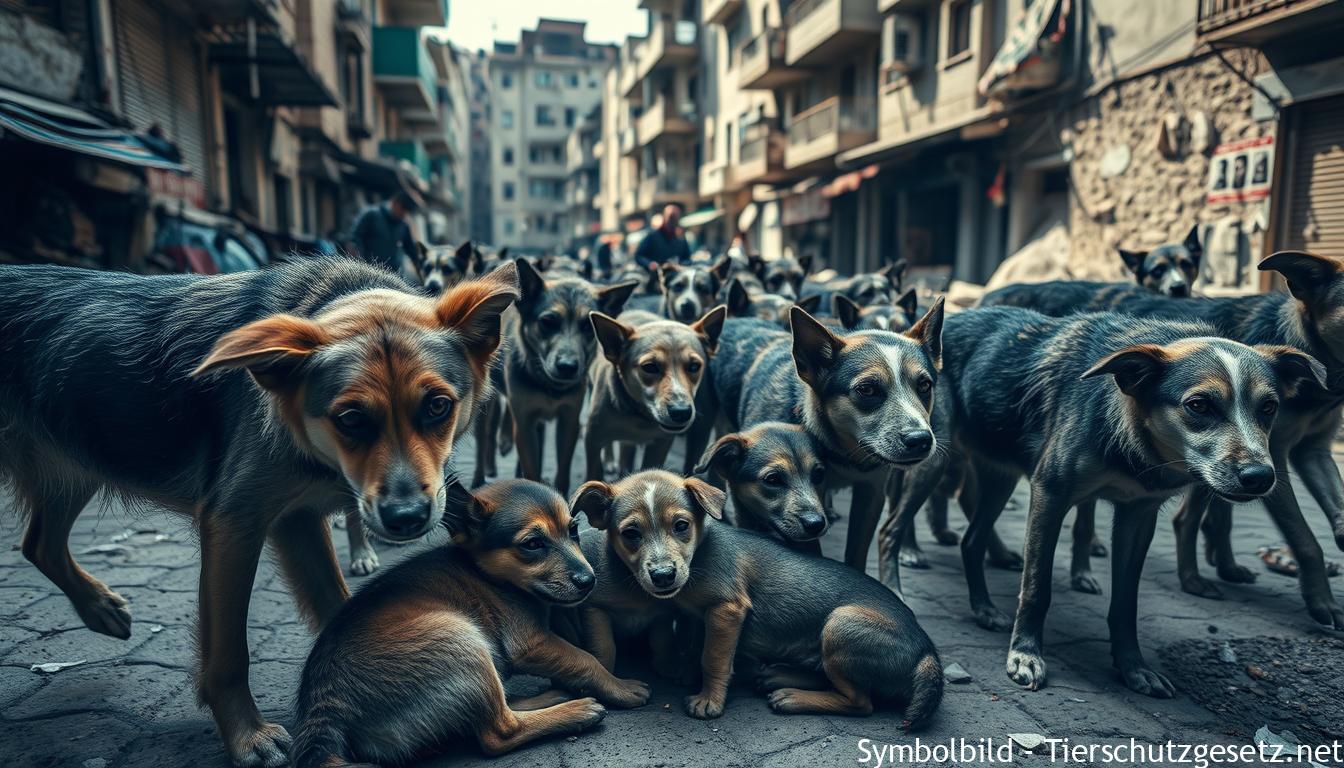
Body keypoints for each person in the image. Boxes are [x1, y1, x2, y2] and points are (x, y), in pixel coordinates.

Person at [350, 192, 420, 276]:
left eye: (406, 211)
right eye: (403, 209)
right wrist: (359, 262)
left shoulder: (403, 225)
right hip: (369, 273)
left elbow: (411, 249)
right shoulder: (371, 215)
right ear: (395, 202)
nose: (403, 214)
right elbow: (355, 238)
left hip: (393, 275)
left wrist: (421, 263)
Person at [634, 203, 690, 272]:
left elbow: (687, 258)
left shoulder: (681, 238)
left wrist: (682, 263)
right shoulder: (652, 236)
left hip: (675, 275)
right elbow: (639, 255)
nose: (672, 221)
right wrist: (649, 264)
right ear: (664, 217)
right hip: (655, 276)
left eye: (675, 217)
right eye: (671, 217)